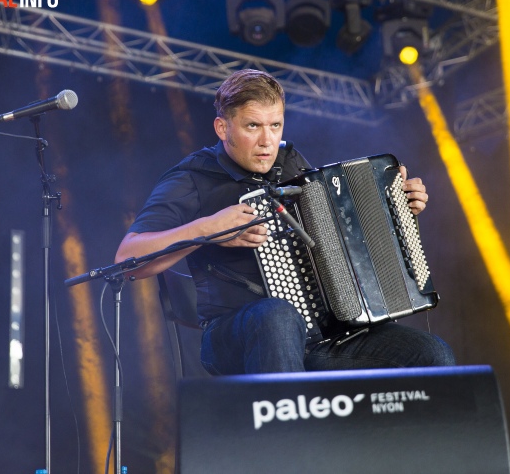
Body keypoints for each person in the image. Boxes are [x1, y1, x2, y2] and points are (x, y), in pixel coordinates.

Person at [115, 69, 455, 375]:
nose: (267, 142)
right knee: (276, 315)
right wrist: (206, 229)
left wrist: (393, 206)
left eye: (275, 125)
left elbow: (337, 230)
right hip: (235, 334)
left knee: (432, 354)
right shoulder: (192, 178)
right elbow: (127, 259)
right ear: (223, 127)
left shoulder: (290, 161)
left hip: (323, 338)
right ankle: (289, 444)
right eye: (253, 126)